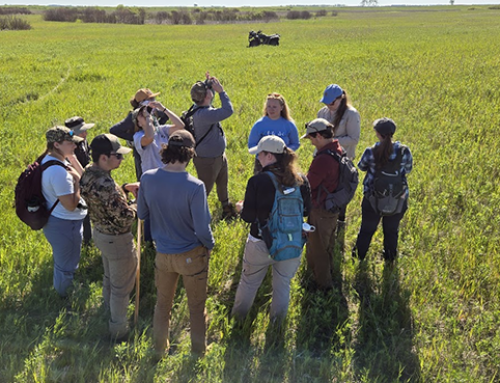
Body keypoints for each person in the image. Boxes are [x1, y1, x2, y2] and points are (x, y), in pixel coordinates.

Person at [137, 130, 215, 358]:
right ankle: (198, 353)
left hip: (163, 254)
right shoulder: (195, 186)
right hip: (191, 253)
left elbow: (142, 213)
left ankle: (159, 349)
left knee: (162, 305)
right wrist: (209, 244)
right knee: (196, 307)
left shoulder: (147, 178)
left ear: (166, 149)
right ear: (190, 154)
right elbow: (202, 228)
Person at [232, 135, 311, 323]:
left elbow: (249, 217)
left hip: (260, 242)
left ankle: (237, 323)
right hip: (292, 242)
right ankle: (277, 326)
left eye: (260, 154)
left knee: (249, 283)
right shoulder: (301, 180)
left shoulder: (257, 181)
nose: (257, 158)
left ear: (269, 156)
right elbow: (306, 210)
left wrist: (241, 208)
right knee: (282, 285)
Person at [80, 134, 139, 340]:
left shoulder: (88, 172)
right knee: (121, 289)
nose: (122, 160)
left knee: (109, 278)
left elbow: (101, 199)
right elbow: (125, 217)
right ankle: (118, 331)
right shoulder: (106, 184)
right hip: (117, 240)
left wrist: (122, 191)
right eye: (118, 156)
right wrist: (135, 205)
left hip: (100, 233)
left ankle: (107, 310)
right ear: (104, 158)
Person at [352, 118, 413, 263]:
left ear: (378, 133)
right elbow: (408, 169)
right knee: (392, 231)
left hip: (373, 198)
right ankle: (390, 260)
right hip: (398, 198)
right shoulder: (404, 151)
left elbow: (361, 167)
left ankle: (357, 258)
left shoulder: (371, 151)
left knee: (366, 230)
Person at [40, 126, 87, 297]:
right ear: (57, 144)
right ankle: (64, 298)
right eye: (70, 143)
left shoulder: (55, 160)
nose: (74, 146)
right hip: (65, 224)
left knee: (66, 261)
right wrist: (76, 183)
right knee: (65, 266)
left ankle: (65, 288)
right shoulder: (57, 172)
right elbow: (70, 205)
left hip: (62, 223)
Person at [301, 118, 343, 291]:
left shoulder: (323, 159)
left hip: (321, 209)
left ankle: (323, 287)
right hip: (332, 208)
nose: (310, 142)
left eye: (310, 138)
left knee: (318, 249)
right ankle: (327, 274)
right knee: (327, 245)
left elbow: (309, 184)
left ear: (318, 135)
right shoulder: (337, 149)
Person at [190, 72, 236, 220]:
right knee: (204, 190)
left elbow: (204, 94)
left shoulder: (199, 107)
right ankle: (193, 217)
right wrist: (221, 91)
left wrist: (208, 82)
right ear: (207, 96)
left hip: (217, 157)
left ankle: (226, 208)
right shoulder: (205, 114)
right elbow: (228, 110)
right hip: (208, 160)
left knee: (223, 184)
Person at [317, 84, 361, 223]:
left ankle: (339, 221)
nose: (328, 105)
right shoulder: (322, 113)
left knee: (339, 192)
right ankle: (322, 216)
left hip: (342, 160)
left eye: (331, 102)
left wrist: (331, 142)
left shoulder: (351, 114)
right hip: (323, 158)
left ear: (340, 99)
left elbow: (354, 139)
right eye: (326, 102)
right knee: (323, 188)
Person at [110, 88, 170, 181]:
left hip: (156, 149)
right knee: (143, 178)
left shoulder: (153, 111)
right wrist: (134, 138)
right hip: (141, 151)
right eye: (150, 99)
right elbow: (114, 130)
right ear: (143, 102)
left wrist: (158, 129)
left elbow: (165, 116)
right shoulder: (135, 116)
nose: (153, 101)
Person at [248, 93, 300, 173]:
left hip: (283, 162)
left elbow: (295, 143)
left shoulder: (289, 125)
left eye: (274, 107)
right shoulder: (259, 124)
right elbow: (252, 144)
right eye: (269, 106)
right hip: (263, 162)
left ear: (281, 107)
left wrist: (284, 152)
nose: (271, 109)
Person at [65, 116, 95, 245]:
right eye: (81, 131)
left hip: (87, 180)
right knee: (82, 213)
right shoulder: (68, 148)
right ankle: (86, 241)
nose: (85, 133)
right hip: (76, 184)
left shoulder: (83, 141)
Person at [132, 103, 184, 174]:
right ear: (139, 123)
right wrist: (147, 118)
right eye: (141, 115)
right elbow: (150, 137)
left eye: (147, 112)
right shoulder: (138, 136)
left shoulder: (162, 130)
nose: (146, 114)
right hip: (151, 176)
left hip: (167, 173)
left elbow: (180, 126)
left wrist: (163, 109)